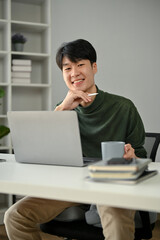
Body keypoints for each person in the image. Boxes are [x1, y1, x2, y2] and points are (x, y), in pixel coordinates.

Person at [4, 39, 147, 240]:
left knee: (115, 220)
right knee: (15, 216)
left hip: (111, 185)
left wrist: (133, 157)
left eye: (80, 65)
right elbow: (44, 153)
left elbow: (141, 154)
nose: (74, 73)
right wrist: (62, 109)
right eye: (67, 68)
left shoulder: (124, 107)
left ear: (94, 67)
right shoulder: (61, 109)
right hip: (70, 187)